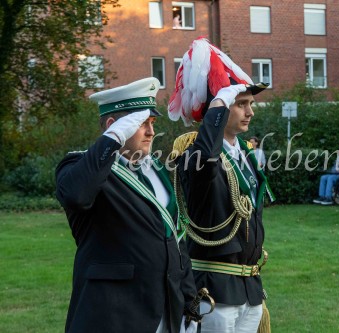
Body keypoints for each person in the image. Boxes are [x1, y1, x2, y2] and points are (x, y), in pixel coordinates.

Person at [55, 78, 200, 333]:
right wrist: (112, 140)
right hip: (115, 316)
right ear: (114, 127)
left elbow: (175, 238)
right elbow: (75, 195)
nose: (151, 132)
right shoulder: (81, 167)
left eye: (152, 123)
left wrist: (189, 302)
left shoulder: (156, 169)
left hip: (167, 312)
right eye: (141, 124)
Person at [168, 37, 275, 333]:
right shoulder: (194, 154)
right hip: (215, 292)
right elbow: (207, 160)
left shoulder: (246, 154)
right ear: (220, 109)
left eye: (251, 104)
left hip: (248, 288)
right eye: (241, 104)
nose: (250, 112)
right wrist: (217, 104)